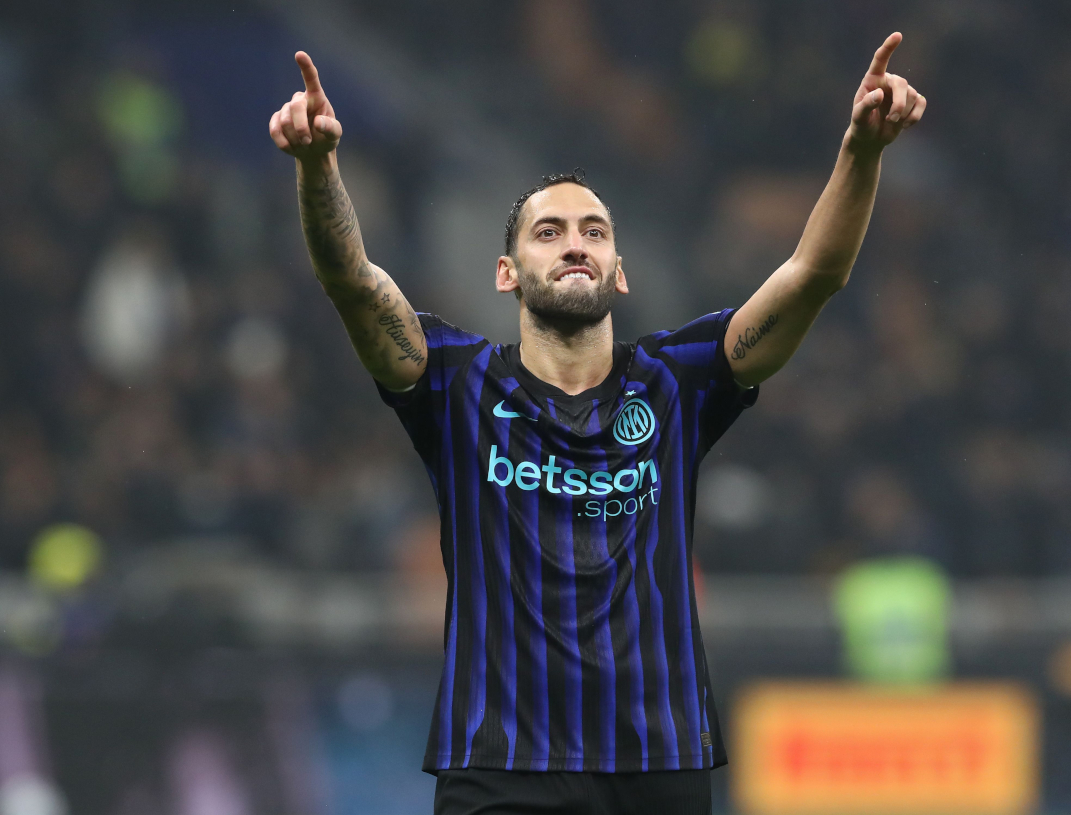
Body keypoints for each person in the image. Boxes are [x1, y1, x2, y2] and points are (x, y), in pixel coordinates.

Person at [269, 32, 925, 815]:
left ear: (619, 270)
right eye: (548, 232)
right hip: (504, 765)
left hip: (658, 764)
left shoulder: (678, 382)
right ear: (508, 273)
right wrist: (318, 169)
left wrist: (861, 151)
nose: (573, 243)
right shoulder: (455, 385)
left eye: (594, 231)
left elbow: (813, 273)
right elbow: (351, 278)